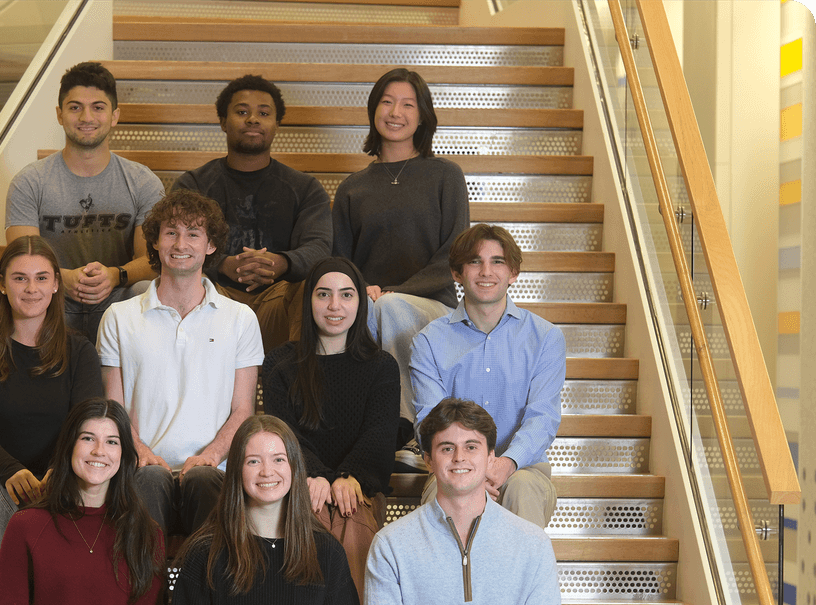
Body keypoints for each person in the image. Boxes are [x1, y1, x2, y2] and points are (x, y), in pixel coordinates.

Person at [363, 399, 563, 605]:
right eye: (447, 448)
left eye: (471, 447)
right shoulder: (390, 543)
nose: (459, 458)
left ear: (491, 458)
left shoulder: (532, 542)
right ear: (429, 461)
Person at [97, 189, 264, 536]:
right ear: (155, 243)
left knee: (204, 480)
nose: (180, 243)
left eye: (193, 233)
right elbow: (114, 408)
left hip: (211, 472)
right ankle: (146, 590)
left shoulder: (241, 318)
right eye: (170, 232)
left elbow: (243, 409)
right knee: (150, 478)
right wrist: (140, 450)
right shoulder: (118, 317)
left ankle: (207, 590)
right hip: (142, 469)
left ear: (211, 245)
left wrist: (211, 455)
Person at [173, 415, 362, 605]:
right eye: (253, 461)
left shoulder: (326, 551)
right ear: (236, 469)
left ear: (295, 467)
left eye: (278, 459)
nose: (267, 471)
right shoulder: (206, 549)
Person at [331, 68, 469, 439]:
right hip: (371, 304)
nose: (396, 112)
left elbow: (456, 253)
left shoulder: (445, 175)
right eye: (387, 102)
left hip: (433, 306)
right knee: (365, 314)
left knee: (387, 309)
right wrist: (359, 289)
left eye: (408, 104)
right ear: (373, 110)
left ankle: (408, 431)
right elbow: (340, 261)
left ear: (422, 115)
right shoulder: (352, 188)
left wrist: (395, 292)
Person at [0, 397, 164, 605]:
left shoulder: (147, 535)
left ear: (124, 454)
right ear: (69, 446)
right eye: (88, 438)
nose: (100, 451)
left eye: (112, 442)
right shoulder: (26, 525)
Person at [0, 235, 102, 569]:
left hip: (61, 476)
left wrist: (58, 469)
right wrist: (10, 471)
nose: (31, 288)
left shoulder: (80, 353)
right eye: (20, 278)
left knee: (62, 503)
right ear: (2, 285)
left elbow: (86, 426)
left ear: (55, 286)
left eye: (41, 278)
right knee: (5, 500)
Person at [261, 256, 399, 604]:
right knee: (313, 515)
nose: (334, 305)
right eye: (323, 294)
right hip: (299, 482)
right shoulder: (280, 363)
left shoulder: (381, 367)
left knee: (350, 517)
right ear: (308, 302)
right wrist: (316, 475)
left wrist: (348, 475)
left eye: (346, 295)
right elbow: (282, 434)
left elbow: (380, 434)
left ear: (360, 303)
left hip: (360, 486)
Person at [410, 224, 563, 528]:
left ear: (513, 273)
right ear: (457, 273)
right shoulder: (428, 341)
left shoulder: (546, 338)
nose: (486, 271)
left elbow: (543, 417)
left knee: (521, 488)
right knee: (451, 496)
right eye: (475, 261)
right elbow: (430, 421)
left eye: (498, 261)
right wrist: (468, 471)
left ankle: (524, 577)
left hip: (523, 469)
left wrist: (506, 463)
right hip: (451, 468)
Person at [6, 61, 164, 343]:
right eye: (75, 107)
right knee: (22, 290)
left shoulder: (142, 181)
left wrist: (115, 275)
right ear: (59, 114)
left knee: (146, 289)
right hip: (53, 298)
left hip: (118, 299)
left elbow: (152, 259)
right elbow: (21, 258)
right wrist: (64, 278)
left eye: (98, 107)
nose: (86, 116)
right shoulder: (29, 182)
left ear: (114, 116)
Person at [173, 74, 332, 352]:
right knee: (179, 279)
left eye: (264, 113)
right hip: (213, 296)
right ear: (223, 122)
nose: (253, 119)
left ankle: (294, 384)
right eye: (242, 112)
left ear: (277, 124)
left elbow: (319, 247)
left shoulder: (305, 188)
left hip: (278, 299)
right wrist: (221, 264)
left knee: (316, 284)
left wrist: (280, 263)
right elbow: (175, 245)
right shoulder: (193, 185)